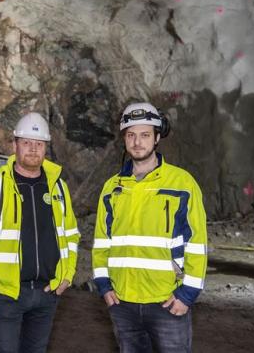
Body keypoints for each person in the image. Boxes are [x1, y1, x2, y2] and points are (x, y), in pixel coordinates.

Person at [92, 102, 207, 352]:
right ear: (124, 139)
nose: (137, 142)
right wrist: (104, 285)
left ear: (157, 138)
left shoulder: (182, 183)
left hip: (167, 301)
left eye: (145, 135)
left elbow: (196, 243)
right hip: (123, 303)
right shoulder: (112, 188)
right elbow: (102, 242)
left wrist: (187, 293)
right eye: (131, 135)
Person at [0, 112, 80, 353]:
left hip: (47, 293)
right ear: (14, 144)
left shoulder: (58, 186)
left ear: (46, 148)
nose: (32, 149)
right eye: (26, 142)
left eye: (39, 144)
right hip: (5, 294)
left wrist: (67, 275)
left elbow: (70, 234)